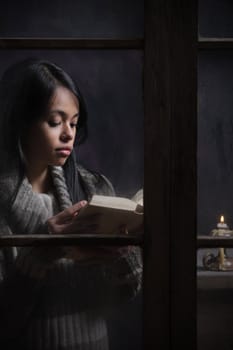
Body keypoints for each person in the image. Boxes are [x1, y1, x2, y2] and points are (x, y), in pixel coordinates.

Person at [0, 58, 142, 350]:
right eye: (55, 122)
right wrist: (39, 255)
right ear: (21, 123)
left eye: (74, 122)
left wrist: (120, 256)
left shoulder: (93, 188)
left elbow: (124, 295)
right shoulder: (3, 209)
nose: (68, 133)